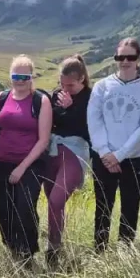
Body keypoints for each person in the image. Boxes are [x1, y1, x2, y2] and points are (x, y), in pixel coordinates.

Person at [87, 37, 140, 252]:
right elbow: (94, 120)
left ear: (139, 58)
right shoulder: (101, 86)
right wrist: (105, 152)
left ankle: (125, 254)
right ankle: (100, 251)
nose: (125, 61)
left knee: (130, 207)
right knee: (102, 206)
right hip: (103, 157)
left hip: (134, 158)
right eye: (120, 57)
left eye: (130, 57)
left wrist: (119, 155)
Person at [0, 55, 52, 264]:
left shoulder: (41, 101)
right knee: (5, 210)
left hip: (31, 164)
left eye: (24, 77)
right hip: (2, 161)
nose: (20, 81)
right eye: (16, 76)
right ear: (10, 76)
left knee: (25, 208)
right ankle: (12, 249)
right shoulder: (2, 98)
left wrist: (22, 168)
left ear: (31, 77)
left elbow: (43, 140)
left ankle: (27, 254)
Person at [42, 54, 92, 266]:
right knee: (53, 203)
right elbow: (51, 122)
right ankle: (55, 248)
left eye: (70, 85)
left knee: (56, 199)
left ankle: (53, 247)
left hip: (75, 150)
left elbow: (88, 129)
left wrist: (70, 108)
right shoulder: (57, 95)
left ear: (82, 79)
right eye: (62, 84)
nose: (65, 89)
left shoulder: (91, 97)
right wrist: (61, 109)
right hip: (53, 150)